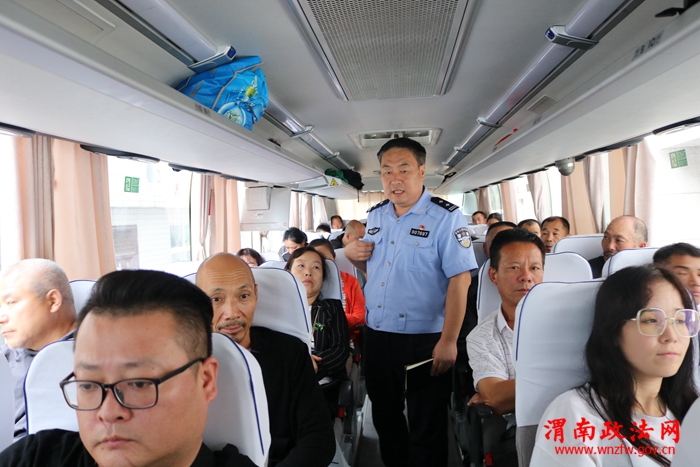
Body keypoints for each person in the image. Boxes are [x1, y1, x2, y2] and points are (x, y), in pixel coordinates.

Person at [0, 269, 256, 467]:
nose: (108, 412)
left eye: (139, 383)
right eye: (88, 385)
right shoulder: (35, 457)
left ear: (206, 381)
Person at [344, 137, 477, 467]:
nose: (394, 179)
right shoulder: (376, 216)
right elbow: (376, 271)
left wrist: (449, 340)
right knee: (385, 417)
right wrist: (353, 256)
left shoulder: (446, 218)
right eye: (386, 171)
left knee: (426, 422)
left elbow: (460, 280)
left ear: (421, 171)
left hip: (424, 340)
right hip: (378, 335)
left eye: (403, 169)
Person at [531, 266, 699, 466]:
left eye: (680, 320)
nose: (671, 336)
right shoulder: (574, 415)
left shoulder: (691, 410)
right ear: (613, 333)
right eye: (651, 320)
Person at [196, 254, 335, 467]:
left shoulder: (289, 353)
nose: (232, 313)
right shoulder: (183, 364)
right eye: (216, 299)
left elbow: (319, 438)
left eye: (243, 296)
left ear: (256, 294)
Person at [466, 229, 545, 452]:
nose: (526, 276)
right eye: (514, 267)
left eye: (534, 268)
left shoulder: (571, 323)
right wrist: (572, 380)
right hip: (527, 429)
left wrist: (510, 391)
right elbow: (497, 399)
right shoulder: (482, 337)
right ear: (493, 276)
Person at [0, 259, 77, 440]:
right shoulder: (6, 358)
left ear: (53, 301)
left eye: (11, 302)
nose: (1, 318)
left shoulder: (91, 361)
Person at [285, 247, 350, 383]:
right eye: (301, 265)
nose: (308, 272)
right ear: (288, 273)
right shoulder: (277, 310)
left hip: (322, 381)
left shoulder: (332, 308)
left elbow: (340, 350)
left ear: (323, 277)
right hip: (285, 378)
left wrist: (310, 366)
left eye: (316, 267)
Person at [309, 238, 366, 346]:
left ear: (334, 257)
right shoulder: (307, 283)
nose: (322, 264)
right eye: (316, 260)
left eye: (325, 259)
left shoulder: (350, 282)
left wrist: (335, 320)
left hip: (344, 339)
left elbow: (361, 317)